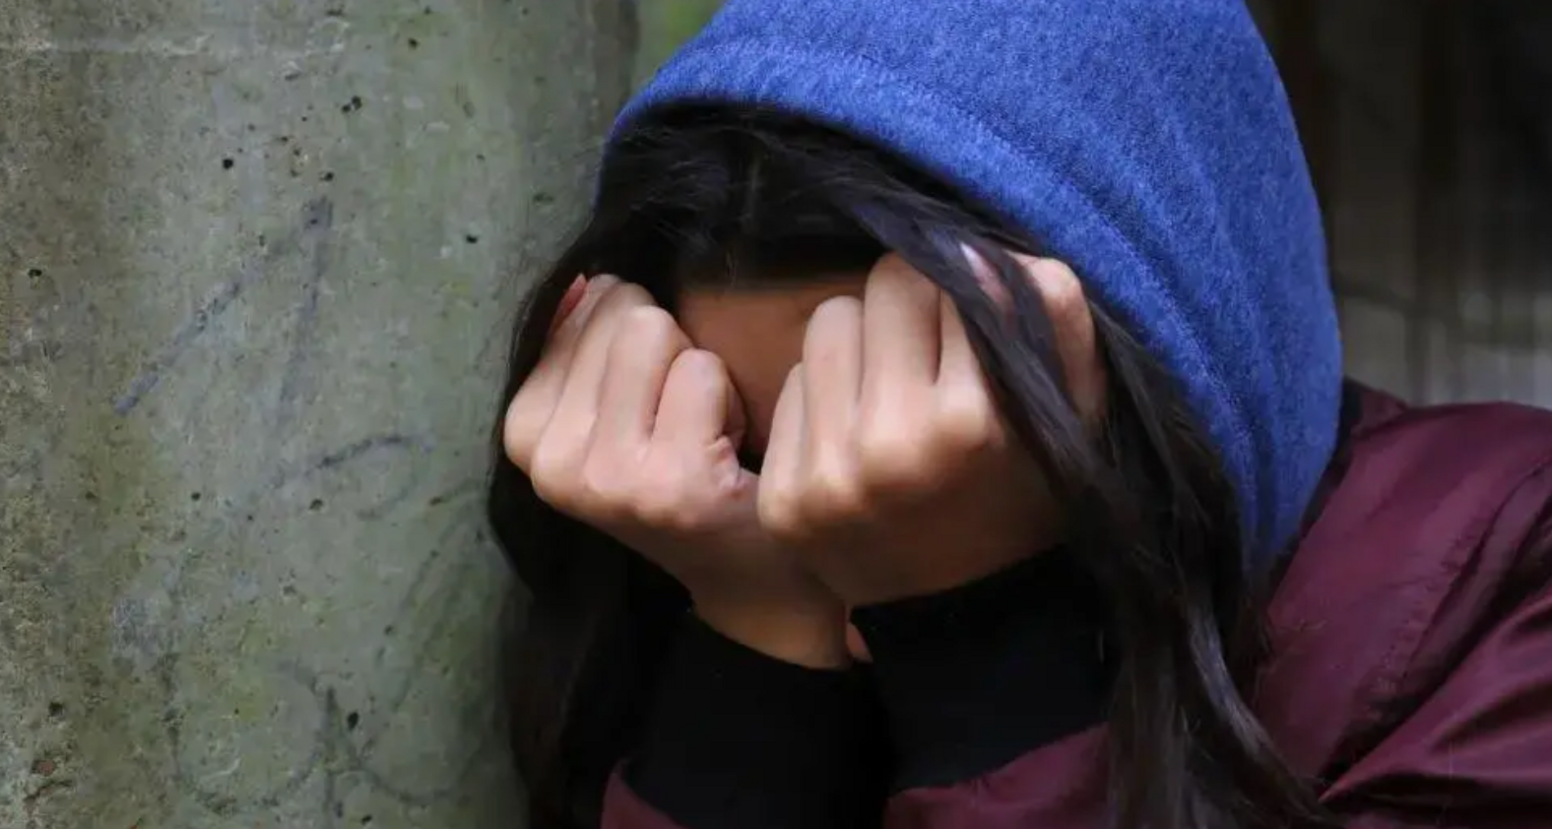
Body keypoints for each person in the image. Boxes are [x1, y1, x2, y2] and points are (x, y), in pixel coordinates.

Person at [485, 1, 1552, 828]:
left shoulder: (1511, 585)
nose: (837, 507)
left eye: (954, 451)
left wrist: (983, 644)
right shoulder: (707, 599)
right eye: (764, 457)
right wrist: (753, 661)